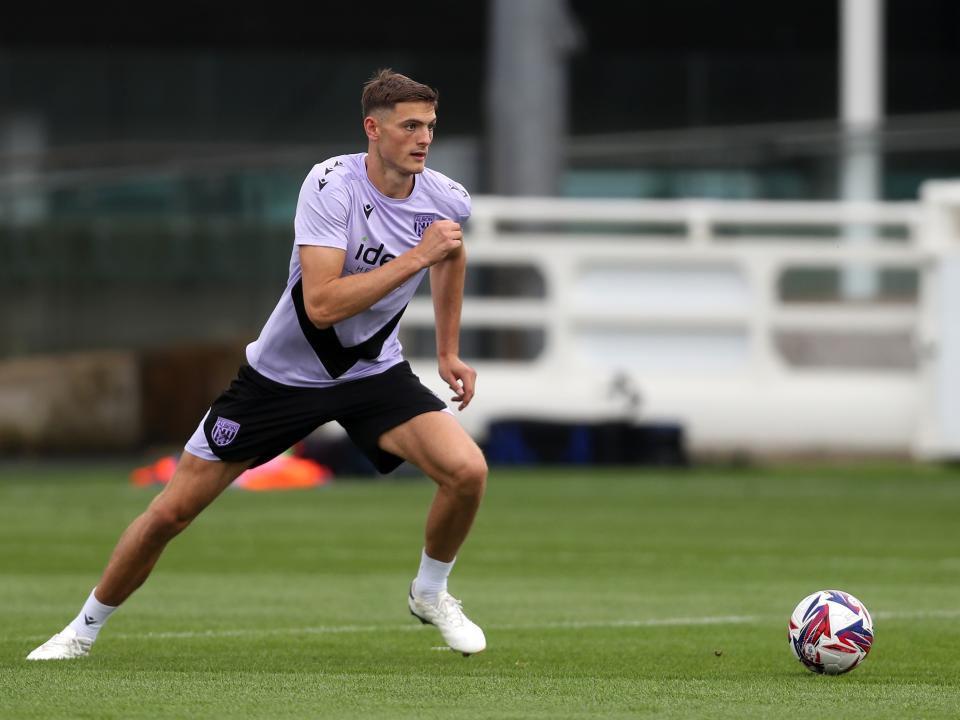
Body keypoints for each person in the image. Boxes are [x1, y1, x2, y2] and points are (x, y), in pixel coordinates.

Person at [27, 69, 488, 660]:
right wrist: (416, 257)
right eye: (409, 126)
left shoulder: (444, 197)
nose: (422, 138)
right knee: (171, 512)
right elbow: (321, 306)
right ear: (373, 129)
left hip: (371, 375)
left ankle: (430, 592)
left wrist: (448, 350)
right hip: (280, 380)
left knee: (467, 472)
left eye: (429, 125)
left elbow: (450, 253)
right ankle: (81, 631)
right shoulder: (331, 185)